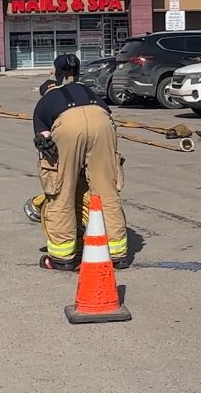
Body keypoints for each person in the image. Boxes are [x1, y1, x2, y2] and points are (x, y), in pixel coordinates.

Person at [32, 53, 130, 270]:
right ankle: (117, 253)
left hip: (68, 126)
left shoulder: (46, 100)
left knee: (61, 189)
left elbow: (44, 138)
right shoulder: (88, 90)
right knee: (106, 187)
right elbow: (106, 115)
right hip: (102, 122)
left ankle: (62, 256)